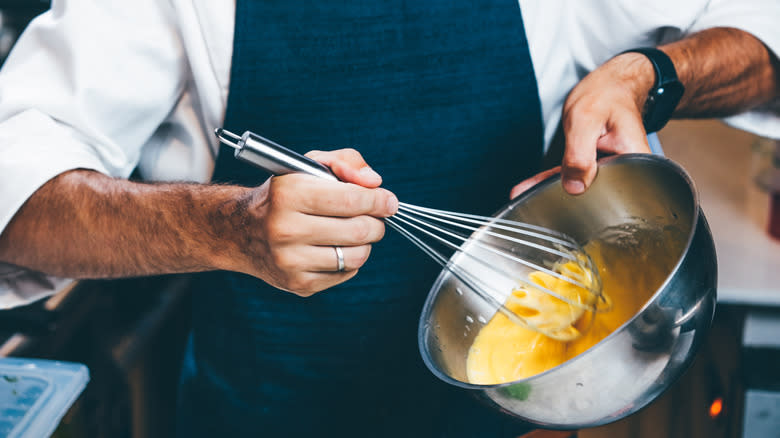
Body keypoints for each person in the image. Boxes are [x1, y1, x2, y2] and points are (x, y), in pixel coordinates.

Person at [0, 0, 777, 436]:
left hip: (519, 418)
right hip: (260, 418)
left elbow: (763, 40)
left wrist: (652, 76)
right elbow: (12, 200)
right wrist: (223, 225)